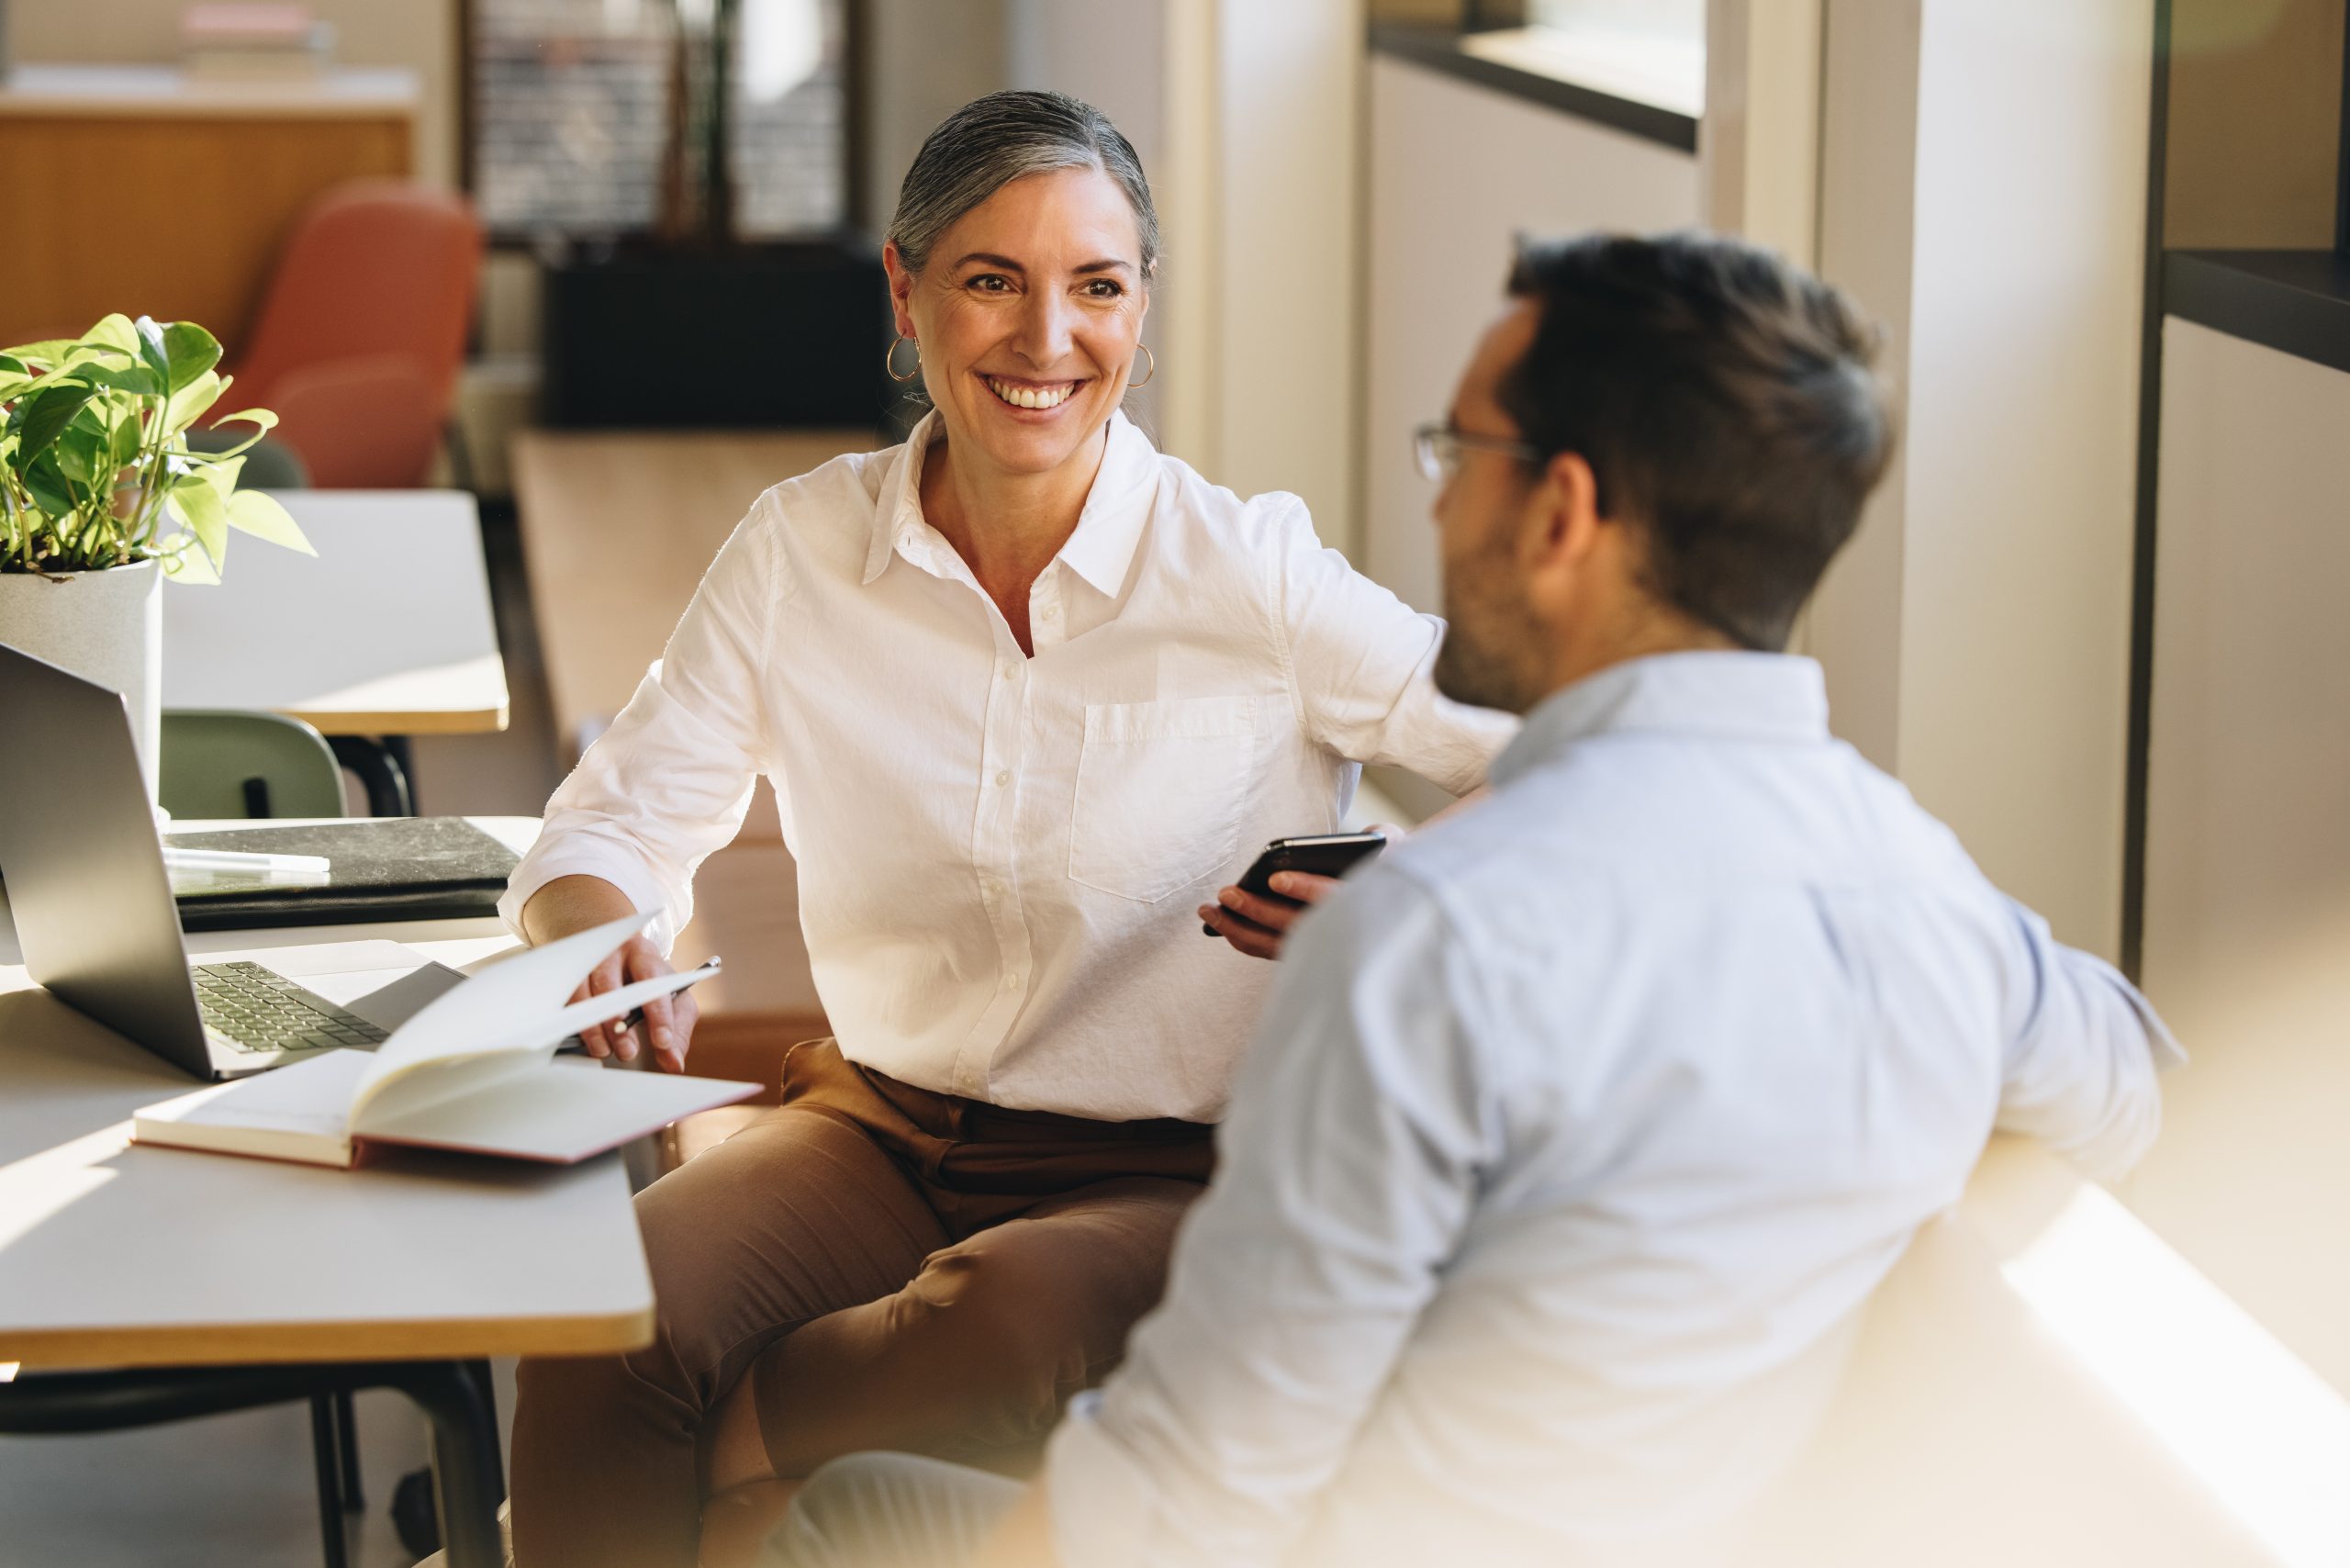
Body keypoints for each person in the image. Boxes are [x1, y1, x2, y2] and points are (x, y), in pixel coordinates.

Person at [760, 231, 2183, 1568]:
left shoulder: (1428, 945)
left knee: (845, 1515)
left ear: (1561, 511)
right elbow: (2131, 1086)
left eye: (1462, 454)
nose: (1438, 499)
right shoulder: (1925, 888)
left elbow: (1194, 1485)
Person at [495, 90, 1516, 1568]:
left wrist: (1415, 887)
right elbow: (613, 820)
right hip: (881, 1125)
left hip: (1173, 1169)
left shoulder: (1253, 575)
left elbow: (1559, 764)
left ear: (1141, 312)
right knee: (618, 1305)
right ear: (905, 297)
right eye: (993, 281)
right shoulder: (801, 552)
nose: (1049, 340)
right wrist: (598, 937)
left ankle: (703, 1469)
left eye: (1096, 287)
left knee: (1005, 1325)